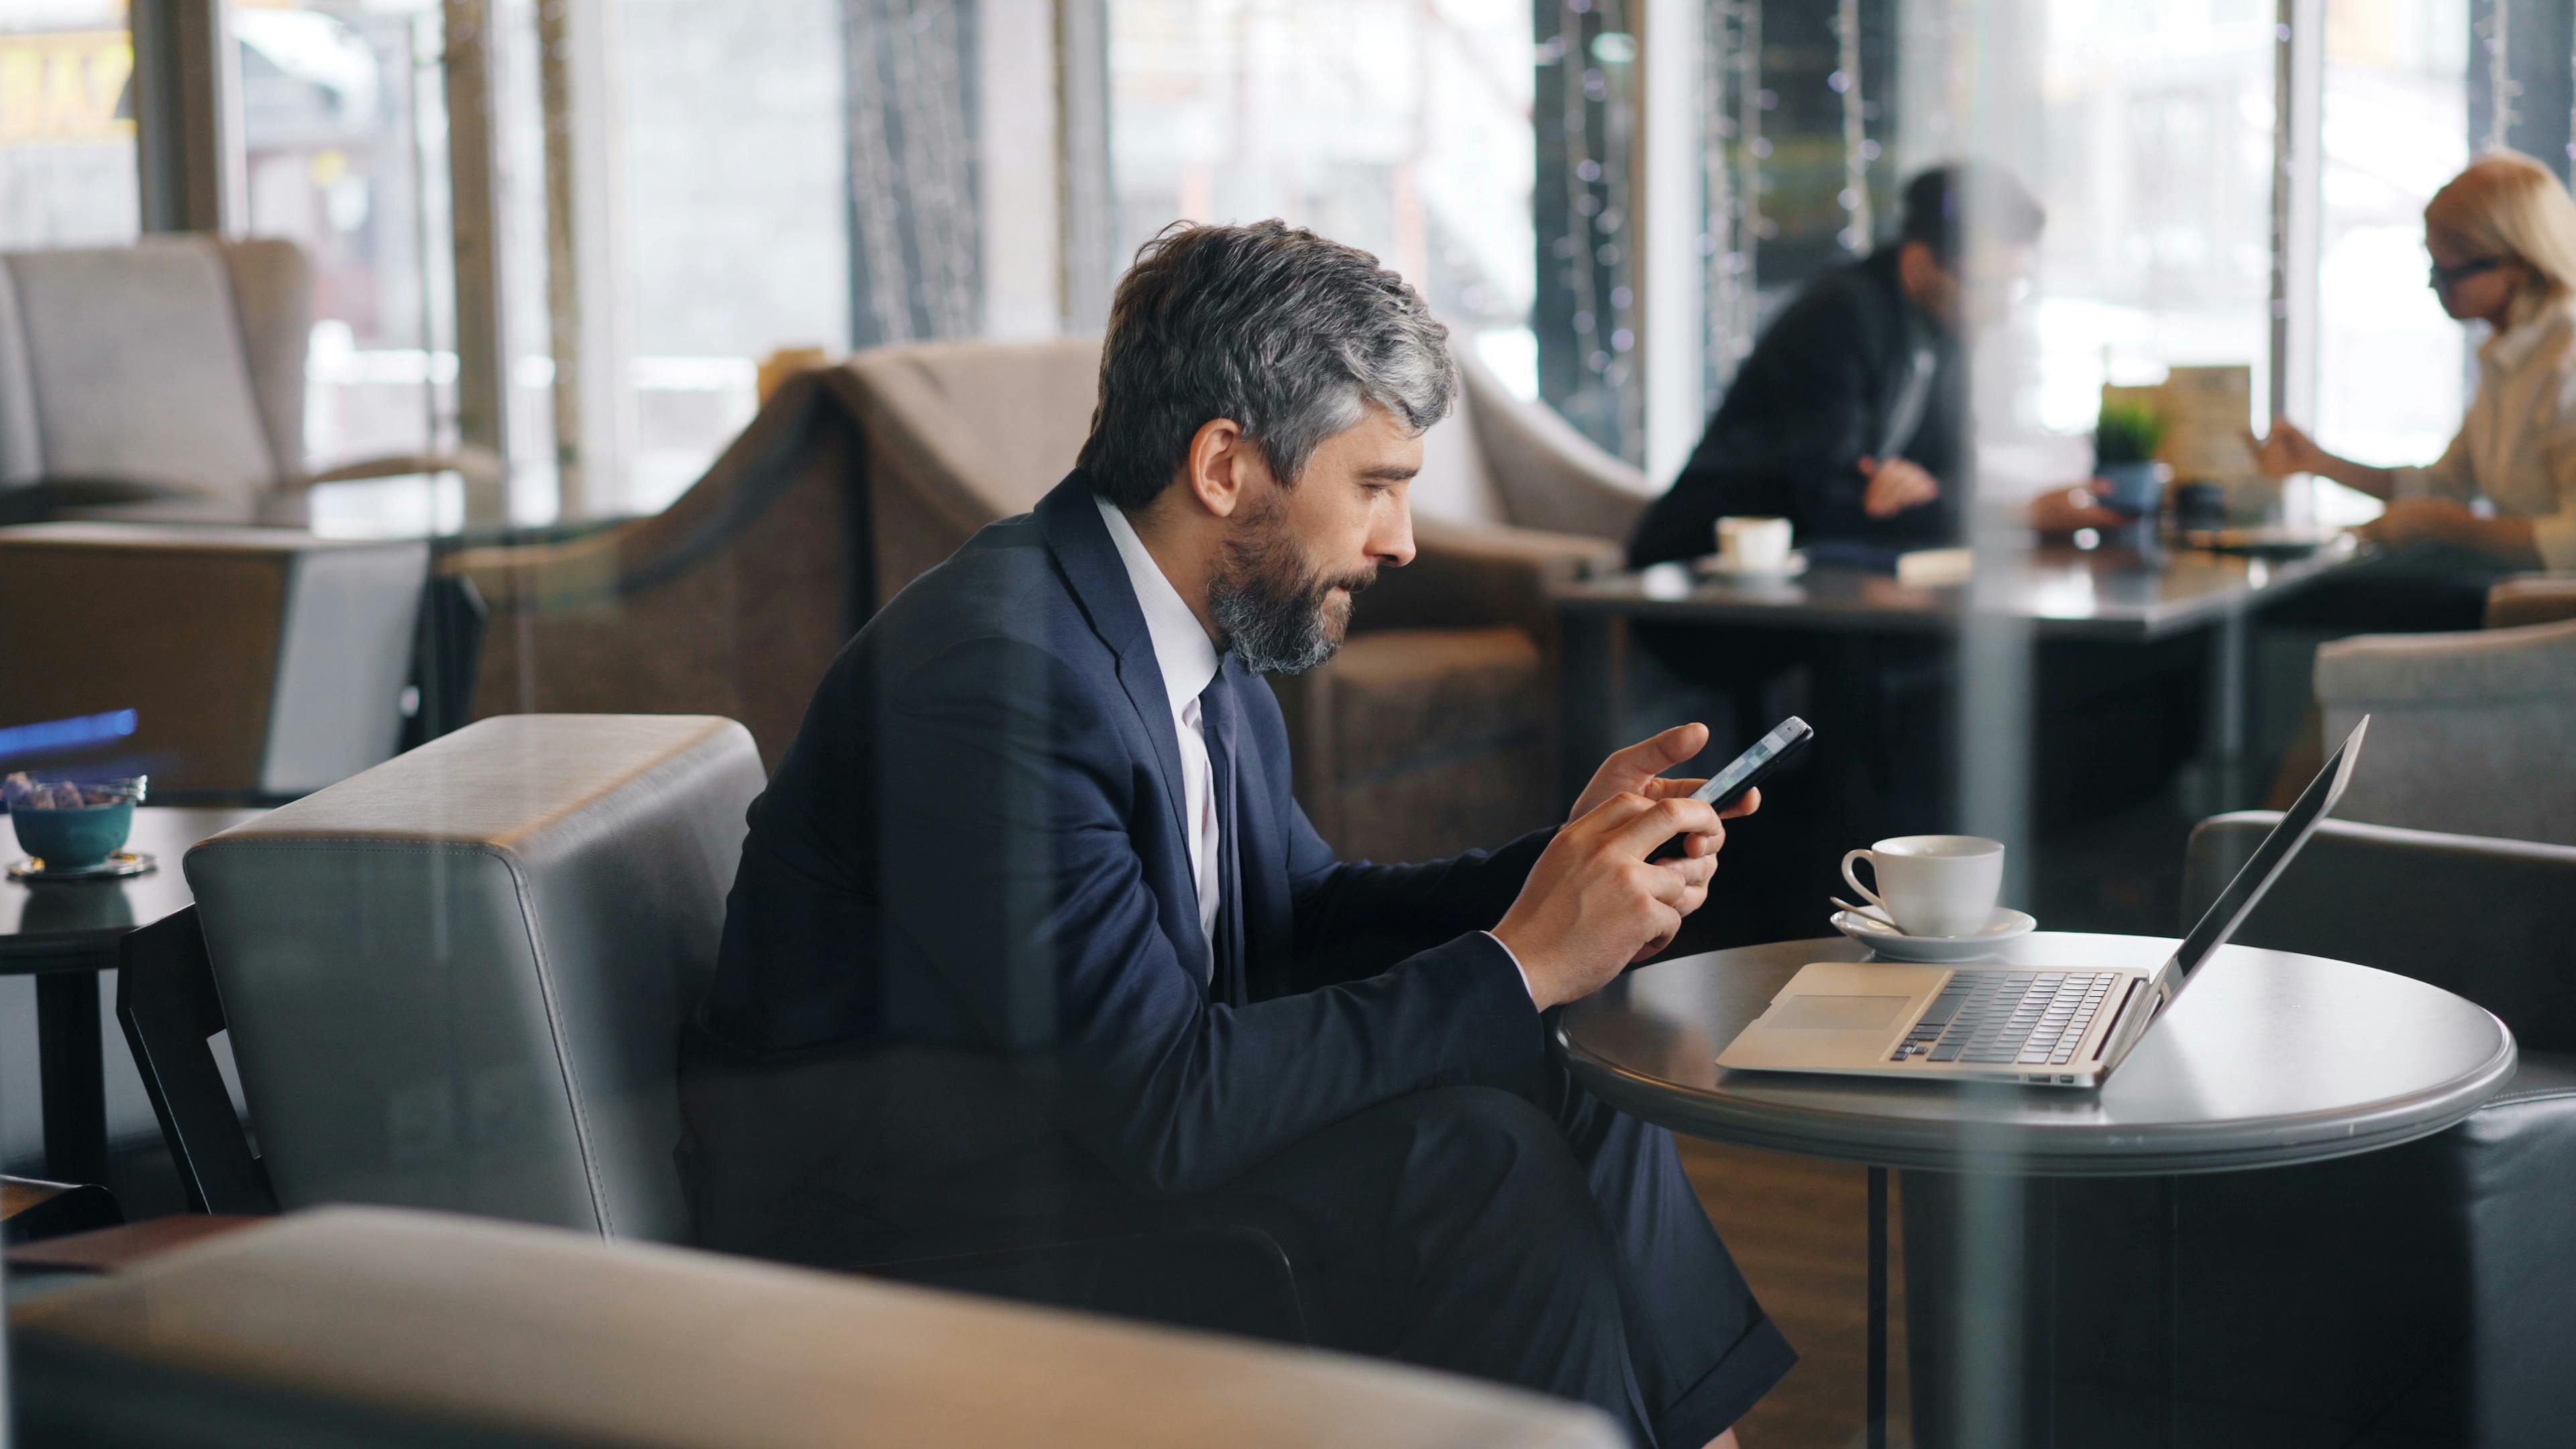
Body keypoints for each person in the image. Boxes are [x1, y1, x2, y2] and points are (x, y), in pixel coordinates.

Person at [680, 221, 1794, 1448]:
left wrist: (1559, 879)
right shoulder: (998, 681)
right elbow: (1161, 1107)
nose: (1400, 541)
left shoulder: (1181, 639)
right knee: (1469, 1158)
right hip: (912, 1248)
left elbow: (1292, 921)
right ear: (1225, 466)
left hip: (1068, 1151)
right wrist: (1525, 957)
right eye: (1376, 484)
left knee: (1554, 1061)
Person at [1628, 165, 2121, 569]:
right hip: (1704, 573)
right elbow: (1832, 499)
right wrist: (2013, 516)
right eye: (1987, 287)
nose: (2001, 310)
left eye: (2012, 287)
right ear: (1923, 260)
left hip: (1820, 573)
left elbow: (1949, 477)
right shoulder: (1841, 314)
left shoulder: (1945, 326)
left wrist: (1917, 495)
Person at [2254, 149, 2576, 581]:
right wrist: (2319, 462)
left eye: (2449, 273)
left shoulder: (2564, 362)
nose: (2433, 286)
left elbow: (2570, 543)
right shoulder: (2510, 356)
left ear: (2516, 265)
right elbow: (2445, 487)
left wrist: (2444, 528)